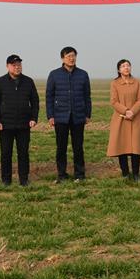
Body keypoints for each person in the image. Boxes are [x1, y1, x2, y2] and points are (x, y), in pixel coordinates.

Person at [0, 54, 39, 186]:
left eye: (19, 65)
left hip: (24, 124)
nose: (17, 67)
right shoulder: (0, 82)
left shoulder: (28, 81)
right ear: (7, 66)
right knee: (6, 153)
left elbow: (35, 101)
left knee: (23, 153)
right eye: (14, 65)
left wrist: (34, 118)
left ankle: (24, 179)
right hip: (5, 125)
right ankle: (6, 180)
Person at [46, 46, 92, 183]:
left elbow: (87, 96)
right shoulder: (54, 74)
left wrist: (87, 113)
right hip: (60, 117)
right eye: (68, 56)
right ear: (62, 58)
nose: (71, 59)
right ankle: (61, 175)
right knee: (61, 147)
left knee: (78, 147)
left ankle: (80, 175)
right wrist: (50, 115)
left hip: (78, 116)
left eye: (73, 56)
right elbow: (49, 96)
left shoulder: (83, 74)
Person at [107, 59, 140, 182]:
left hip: (136, 118)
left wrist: (132, 112)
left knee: (136, 147)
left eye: (128, 65)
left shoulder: (137, 83)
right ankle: (125, 173)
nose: (126, 68)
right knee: (122, 147)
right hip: (121, 119)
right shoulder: (114, 83)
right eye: (123, 66)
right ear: (118, 69)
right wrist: (126, 111)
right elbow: (114, 101)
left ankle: (136, 174)